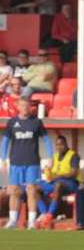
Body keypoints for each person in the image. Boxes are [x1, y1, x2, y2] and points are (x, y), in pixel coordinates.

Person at [1, 98, 53, 229]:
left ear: (30, 107)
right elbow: (5, 141)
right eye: (22, 105)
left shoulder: (36, 122)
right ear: (18, 106)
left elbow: (47, 140)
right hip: (15, 162)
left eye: (27, 105)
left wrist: (50, 156)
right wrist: (3, 158)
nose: (25, 108)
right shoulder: (12, 122)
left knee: (31, 191)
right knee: (14, 191)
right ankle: (12, 221)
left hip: (32, 162)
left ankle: (31, 222)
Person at [27, 135, 81, 230]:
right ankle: (44, 213)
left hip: (71, 183)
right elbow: (53, 172)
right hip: (57, 182)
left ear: (66, 144)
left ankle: (50, 214)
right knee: (35, 187)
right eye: (57, 145)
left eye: (61, 144)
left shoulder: (73, 155)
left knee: (58, 185)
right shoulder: (55, 156)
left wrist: (59, 176)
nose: (59, 147)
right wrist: (47, 171)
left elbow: (74, 173)